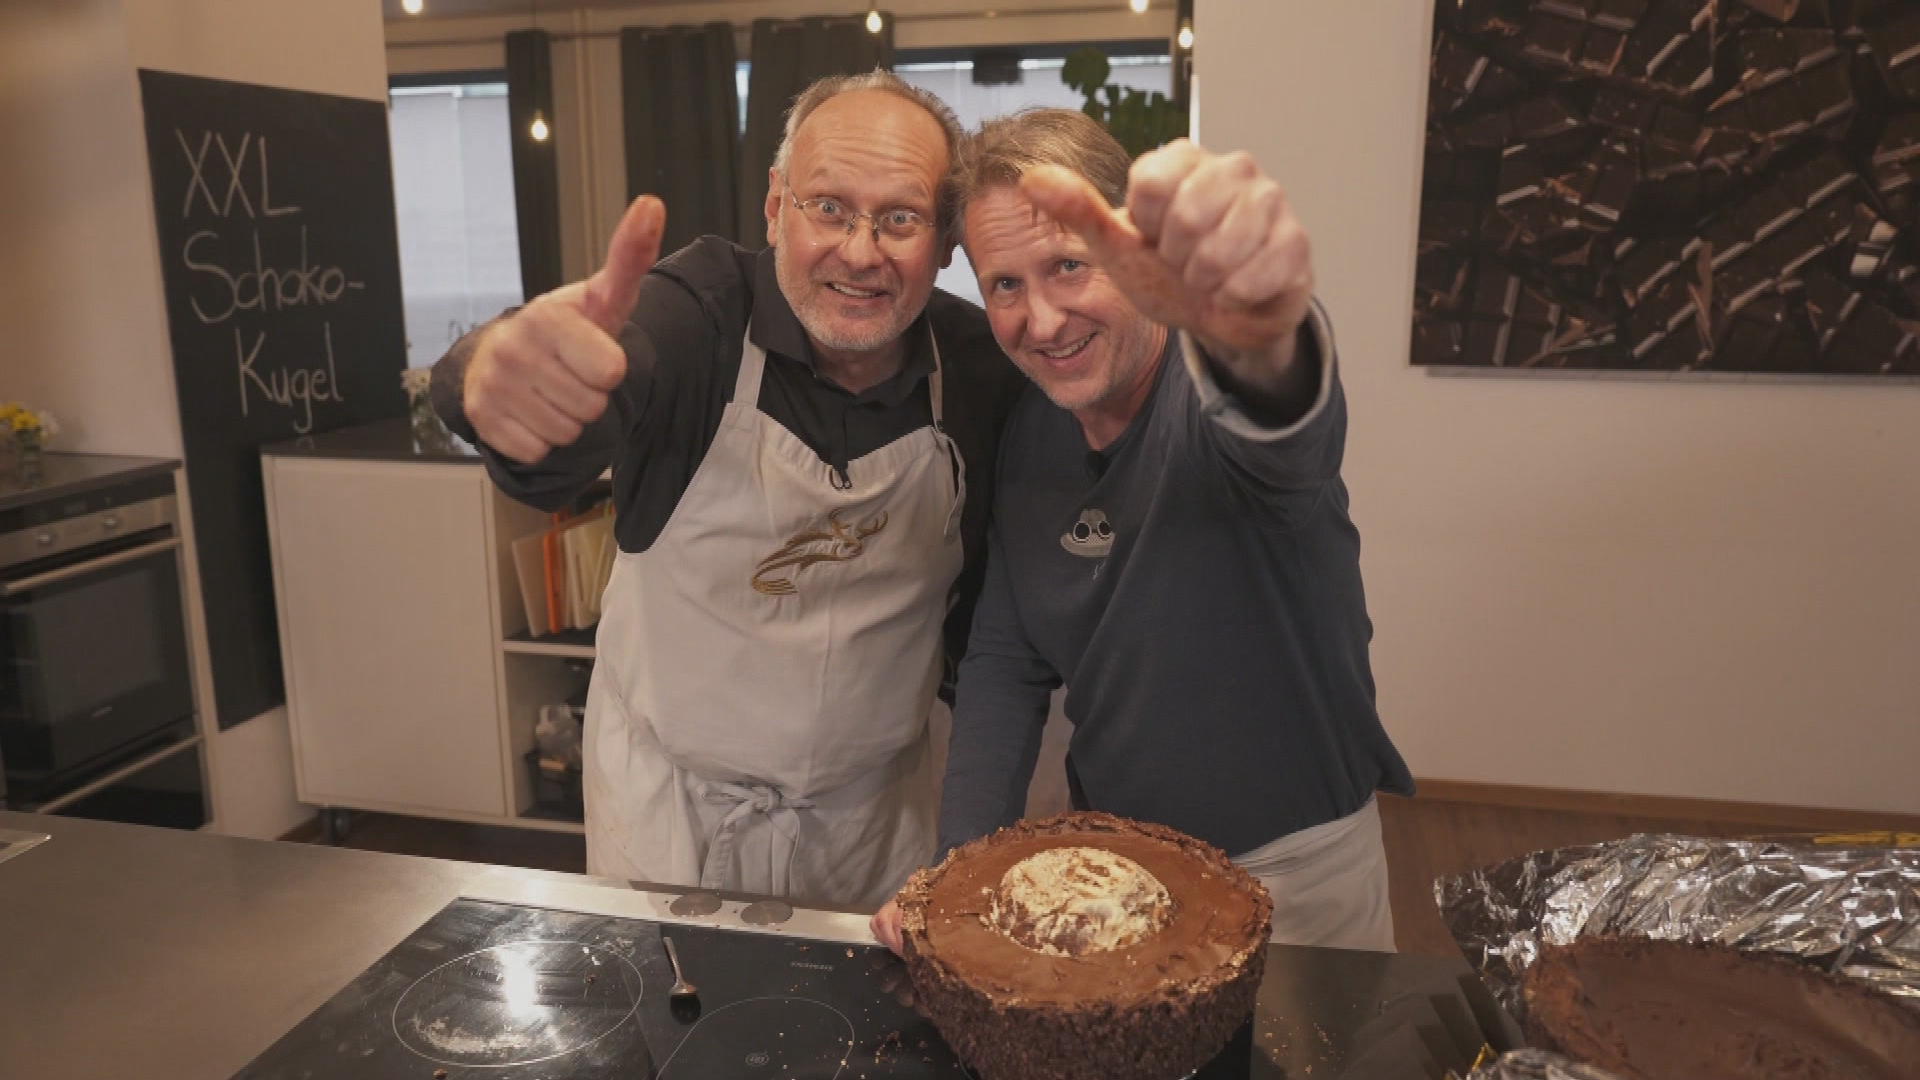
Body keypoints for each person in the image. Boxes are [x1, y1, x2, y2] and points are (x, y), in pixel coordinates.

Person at [430, 73, 1025, 909]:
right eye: (828, 206)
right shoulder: (703, 316)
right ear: (776, 205)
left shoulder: (977, 373)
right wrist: (487, 383)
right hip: (671, 818)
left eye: (901, 218)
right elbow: (603, 391)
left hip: (873, 831)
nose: (860, 251)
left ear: (946, 241)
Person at [872, 109, 1413, 953]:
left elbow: (1291, 434)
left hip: (1300, 876)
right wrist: (956, 871)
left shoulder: (1209, 395)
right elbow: (1006, 666)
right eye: (1005, 285)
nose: (1041, 321)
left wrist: (1262, 330)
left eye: (1068, 266)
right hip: (1119, 874)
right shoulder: (1034, 435)